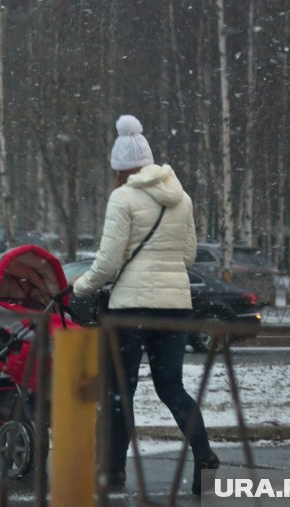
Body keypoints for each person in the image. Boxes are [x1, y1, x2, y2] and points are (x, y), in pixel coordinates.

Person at [71, 114, 219, 495]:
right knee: (171, 386)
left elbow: (107, 262)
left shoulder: (122, 198)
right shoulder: (181, 197)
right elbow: (188, 256)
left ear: (120, 168)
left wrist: (81, 286)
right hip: (176, 306)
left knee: (121, 389)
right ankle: (203, 454)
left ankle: (115, 474)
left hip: (131, 309)